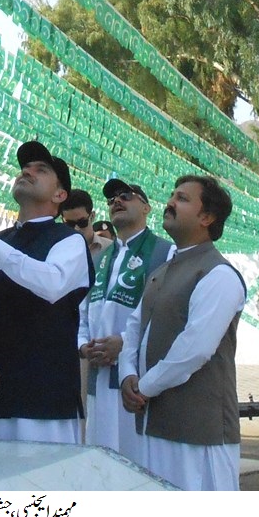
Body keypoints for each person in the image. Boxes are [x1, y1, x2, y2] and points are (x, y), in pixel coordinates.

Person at [0, 141, 92, 443]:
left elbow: (51, 285)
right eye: (24, 168)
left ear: (59, 195)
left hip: (43, 406)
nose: (27, 172)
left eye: (41, 170)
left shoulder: (68, 241)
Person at [120, 175, 245, 490]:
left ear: (207, 218)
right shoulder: (160, 273)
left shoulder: (219, 274)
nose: (171, 203)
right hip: (152, 424)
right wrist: (126, 375)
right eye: (173, 196)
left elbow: (195, 349)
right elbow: (134, 328)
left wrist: (144, 387)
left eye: (183, 199)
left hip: (200, 436)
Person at [79, 180, 172, 460]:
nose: (116, 201)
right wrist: (83, 346)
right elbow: (82, 312)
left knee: (135, 460)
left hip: (136, 380)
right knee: (100, 458)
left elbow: (165, 315)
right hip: (97, 374)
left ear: (146, 207)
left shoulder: (164, 252)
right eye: (111, 199)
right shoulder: (99, 258)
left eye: (126, 196)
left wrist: (124, 343)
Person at [61, 190, 111, 261]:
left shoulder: (110, 248)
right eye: (70, 224)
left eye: (82, 222)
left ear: (92, 216)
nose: (76, 228)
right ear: (62, 220)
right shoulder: (55, 249)